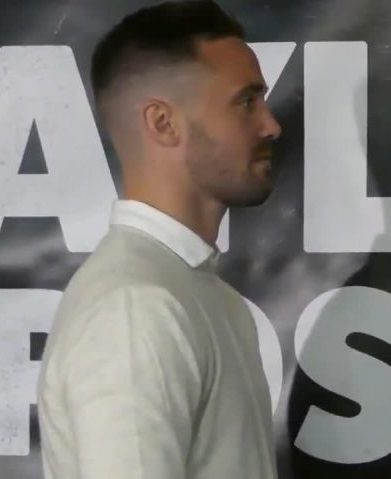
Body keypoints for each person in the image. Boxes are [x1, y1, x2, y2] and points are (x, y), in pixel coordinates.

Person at [37, 1, 281, 478]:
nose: (271, 124)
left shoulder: (199, 296)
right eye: (246, 101)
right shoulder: (136, 310)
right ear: (163, 124)